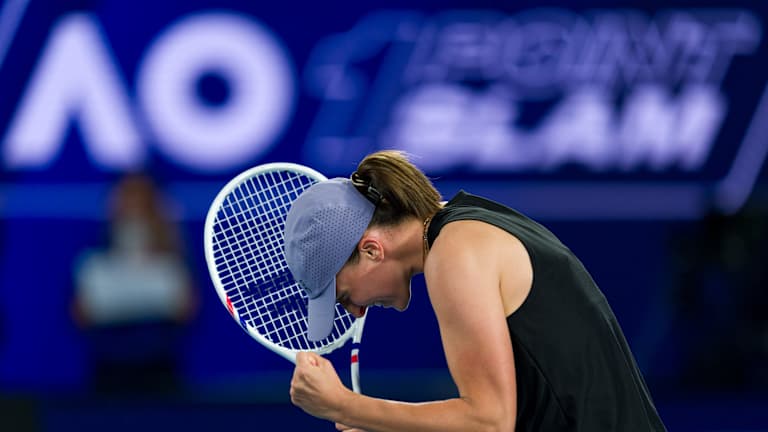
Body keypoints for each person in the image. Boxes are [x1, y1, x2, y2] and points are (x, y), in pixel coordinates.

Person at [284, 150, 666, 431]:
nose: (354, 311)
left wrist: (345, 406)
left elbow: (488, 421)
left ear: (371, 250)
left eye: (344, 295)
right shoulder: (470, 224)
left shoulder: (456, 252)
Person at [72, 173, 197, 394]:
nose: (132, 208)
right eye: (126, 199)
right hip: (108, 376)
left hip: (160, 376)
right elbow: (82, 314)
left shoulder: (174, 263)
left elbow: (185, 310)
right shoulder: (92, 263)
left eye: (140, 200)